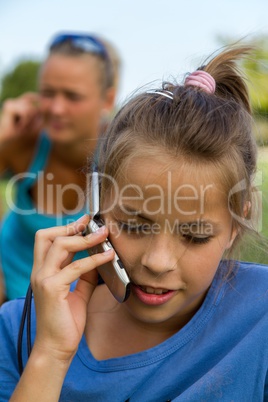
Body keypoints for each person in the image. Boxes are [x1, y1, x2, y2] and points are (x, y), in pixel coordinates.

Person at [0, 45, 267, 401]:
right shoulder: (18, 329)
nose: (157, 262)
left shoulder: (260, 317)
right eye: (136, 226)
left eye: (195, 235)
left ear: (238, 220)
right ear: (96, 206)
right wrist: (50, 354)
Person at [0, 32, 120, 302]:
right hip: (9, 294)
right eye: (48, 93)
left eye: (72, 96)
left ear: (108, 100)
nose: (56, 108)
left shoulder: (121, 157)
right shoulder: (24, 142)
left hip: (84, 307)